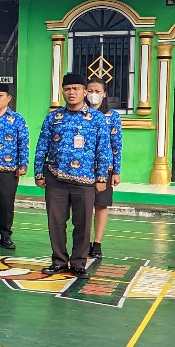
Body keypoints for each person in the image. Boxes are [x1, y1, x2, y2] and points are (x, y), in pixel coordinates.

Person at [33, 73, 111, 277]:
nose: (71, 92)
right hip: (56, 178)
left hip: (85, 180)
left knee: (83, 223)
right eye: (67, 89)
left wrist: (102, 178)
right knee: (56, 222)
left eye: (76, 88)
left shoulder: (97, 119)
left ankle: (78, 262)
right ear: (63, 92)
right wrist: (39, 173)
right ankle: (59, 261)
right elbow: (42, 146)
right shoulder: (53, 117)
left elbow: (104, 149)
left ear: (84, 92)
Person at [0, 83, 28, 250]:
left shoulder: (17, 119)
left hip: (8, 170)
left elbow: (23, 143)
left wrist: (22, 164)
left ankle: (6, 235)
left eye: (0, 95)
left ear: (8, 98)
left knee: (6, 203)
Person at [86, 78, 122, 259]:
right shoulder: (79, 114)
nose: (93, 94)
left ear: (104, 94)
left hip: (104, 169)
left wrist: (116, 170)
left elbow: (117, 144)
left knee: (101, 205)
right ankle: (84, 242)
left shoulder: (112, 116)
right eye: (90, 90)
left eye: (97, 91)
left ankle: (97, 242)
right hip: (82, 168)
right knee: (83, 207)